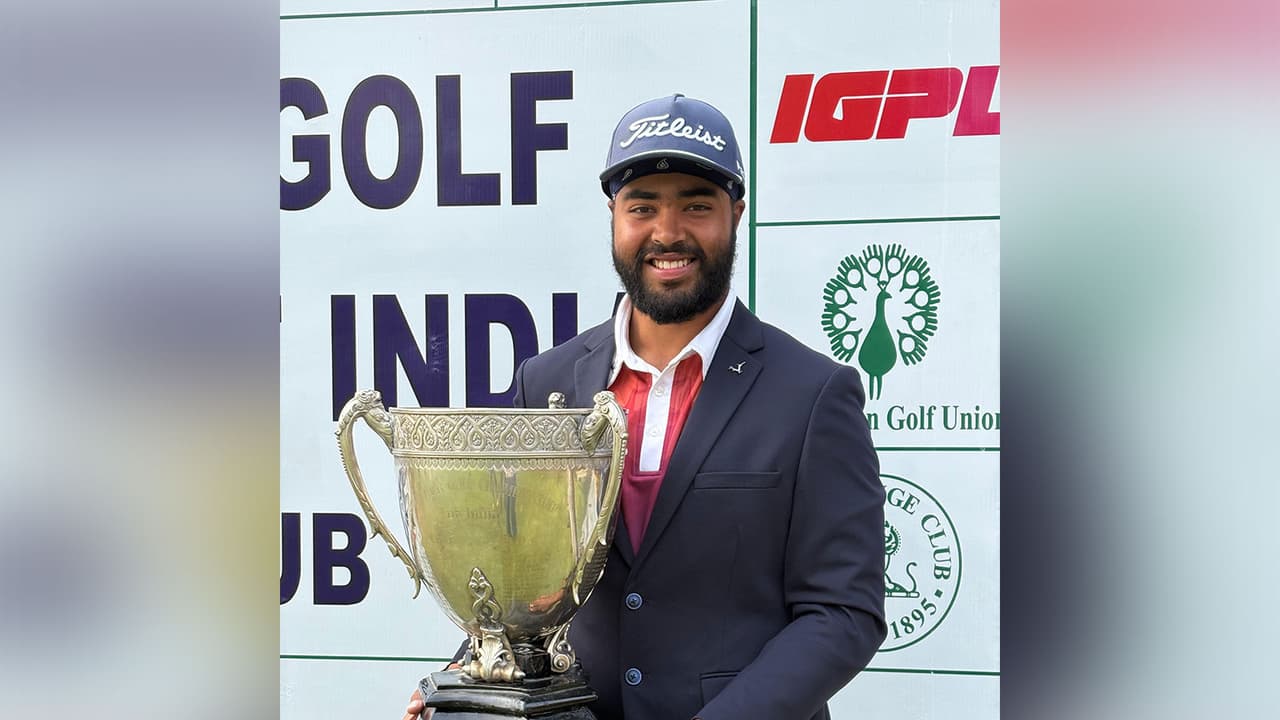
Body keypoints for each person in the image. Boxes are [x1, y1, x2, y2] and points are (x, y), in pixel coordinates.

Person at [404, 93, 886, 720]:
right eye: (643, 207)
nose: (668, 232)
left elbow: (843, 612)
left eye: (696, 205)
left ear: (736, 215)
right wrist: (468, 674)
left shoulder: (814, 394)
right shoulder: (547, 381)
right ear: (614, 216)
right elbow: (519, 585)